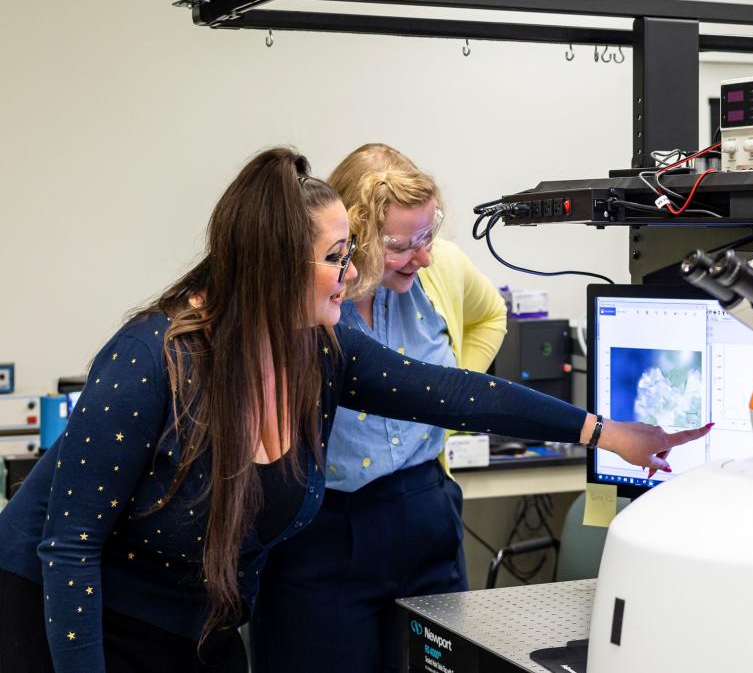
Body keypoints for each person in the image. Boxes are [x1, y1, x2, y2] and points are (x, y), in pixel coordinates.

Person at [0, 147, 710, 673]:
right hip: (68, 602)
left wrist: (605, 430)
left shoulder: (324, 349)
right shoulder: (154, 357)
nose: (353, 273)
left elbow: (451, 391)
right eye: (339, 255)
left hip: (197, 613)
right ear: (276, 264)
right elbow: (68, 547)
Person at [250, 145, 508, 672]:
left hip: (424, 510)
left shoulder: (443, 272)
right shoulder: (308, 295)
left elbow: (490, 317)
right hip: (323, 531)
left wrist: (451, 392)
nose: (424, 256)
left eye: (428, 235)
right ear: (355, 238)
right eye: (401, 244)